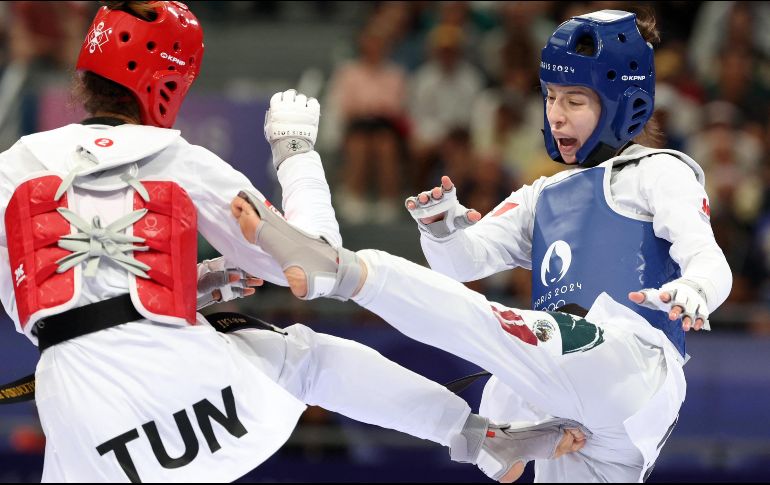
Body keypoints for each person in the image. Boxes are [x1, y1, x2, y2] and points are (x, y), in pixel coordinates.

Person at [0, 2, 591, 482]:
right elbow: (315, 264)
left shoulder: (14, 165)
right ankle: (478, 439)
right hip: (192, 400)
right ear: (169, 83)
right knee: (307, 359)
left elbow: (44, 300)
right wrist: (296, 154)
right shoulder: (179, 160)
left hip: (84, 427)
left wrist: (181, 287)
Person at [231, 9, 732, 483]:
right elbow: (461, 264)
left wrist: (696, 290)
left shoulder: (658, 171)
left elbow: (709, 260)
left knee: (493, 329)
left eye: (574, 101)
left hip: (630, 370)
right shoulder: (542, 196)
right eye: (550, 97)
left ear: (626, 103)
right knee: (500, 387)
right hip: (574, 414)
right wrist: (443, 231)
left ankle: (341, 270)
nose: (556, 116)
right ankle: (495, 440)